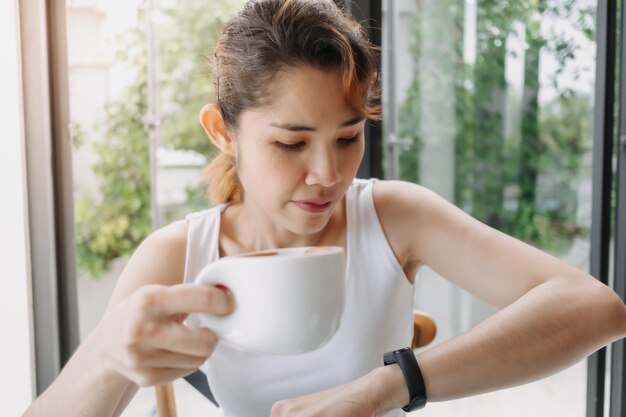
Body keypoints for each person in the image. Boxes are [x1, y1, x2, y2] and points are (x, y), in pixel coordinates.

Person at [25, 0, 626, 416]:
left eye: (348, 137)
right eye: (290, 143)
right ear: (222, 131)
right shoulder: (180, 254)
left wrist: (387, 387)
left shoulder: (392, 217)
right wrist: (108, 354)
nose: (329, 175)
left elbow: (595, 307)